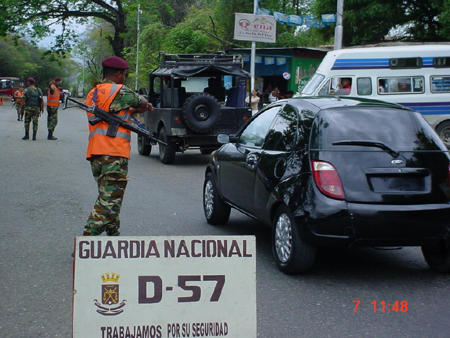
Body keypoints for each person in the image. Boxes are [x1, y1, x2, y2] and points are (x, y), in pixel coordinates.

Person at [83, 56, 154, 236]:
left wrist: (132, 111)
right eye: (124, 74)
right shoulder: (120, 91)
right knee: (109, 200)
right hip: (113, 154)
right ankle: (86, 241)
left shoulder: (94, 93)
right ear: (119, 73)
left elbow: (111, 113)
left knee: (111, 197)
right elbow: (142, 102)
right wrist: (145, 107)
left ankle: (113, 236)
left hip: (95, 154)